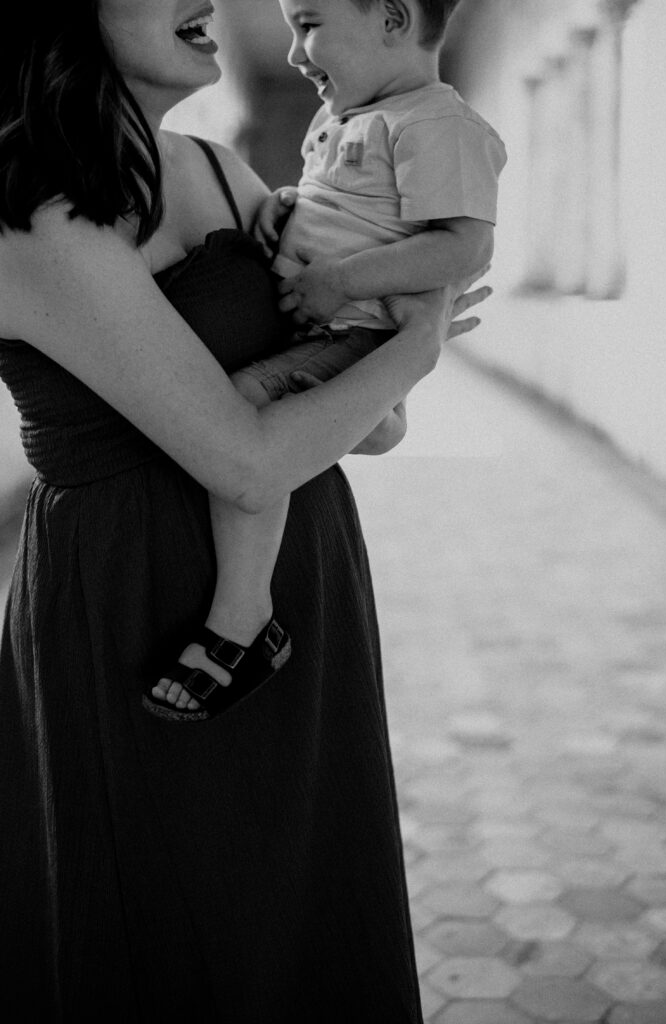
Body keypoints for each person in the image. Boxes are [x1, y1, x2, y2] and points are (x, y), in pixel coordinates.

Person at [0, 0, 489, 1019]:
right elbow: (251, 464)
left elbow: (374, 426)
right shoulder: (30, 214)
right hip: (137, 602)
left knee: (308, 907)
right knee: (171, 927)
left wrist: (375, 340)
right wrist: (416, 340)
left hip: (306, 577)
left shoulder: (225, 175)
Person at [150, 0, 506, 717]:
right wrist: (286, 208)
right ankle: (377, 418)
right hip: (323, 329)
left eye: (309, 26)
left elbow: (465, 245)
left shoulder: (438, 124)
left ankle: (242, 619)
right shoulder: (347, 116)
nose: (293, 54)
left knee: (243, 407)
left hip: (355, 333)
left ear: (393, 20)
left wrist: (342, 280)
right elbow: (345, 208)